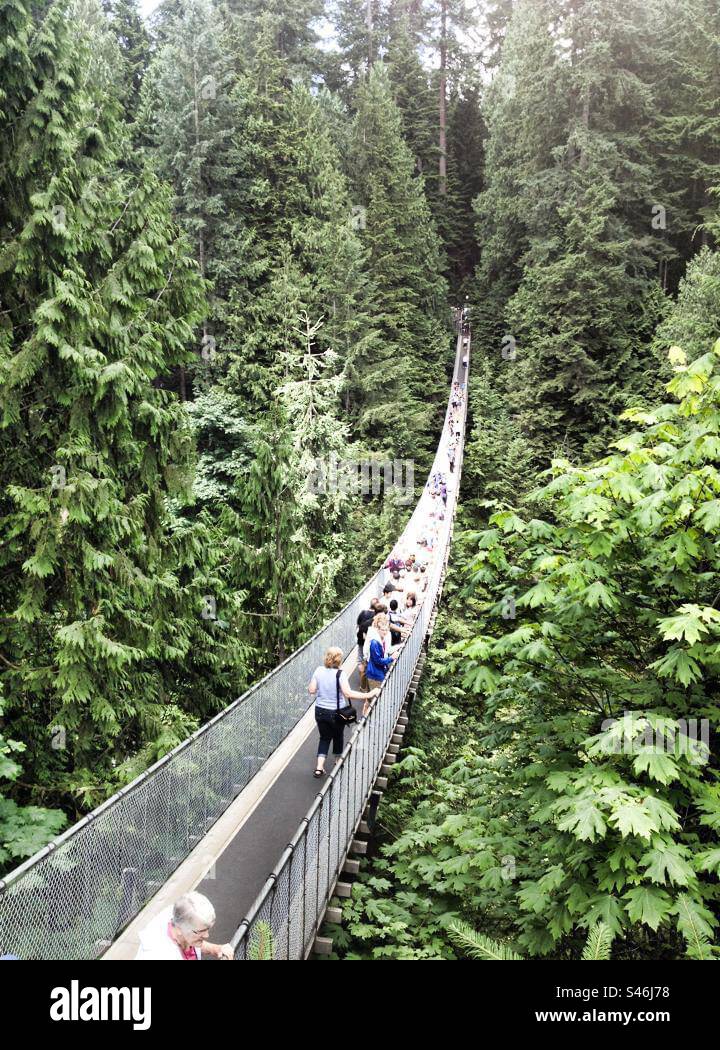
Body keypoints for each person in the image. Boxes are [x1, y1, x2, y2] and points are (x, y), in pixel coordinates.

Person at [308, 647, 378, 777]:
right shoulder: (340, 674)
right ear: (339, 660)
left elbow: (312, 690)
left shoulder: (318, 670)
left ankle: (319, 767)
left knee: (324, 737)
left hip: (320, 710)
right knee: (338, 735)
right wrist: (369, 694)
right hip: (335, 712)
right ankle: (337, 761)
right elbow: (347, 693)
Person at [135, 892, 233, 960]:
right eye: (201, 931)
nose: (207, 935)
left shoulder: (179, 915)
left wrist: (216, 949)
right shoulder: (160, 955)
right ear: (179, 929)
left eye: (207, 929)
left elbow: (193, 943)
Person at [364, 614, 397, 692]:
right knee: (375, 696)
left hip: (379, 667)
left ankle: (367, 700)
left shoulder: (385, 636)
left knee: (371, 696)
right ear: (378, 628)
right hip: (375, 670)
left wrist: (399, 646)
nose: (385, 632)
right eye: (383, 629)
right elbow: (377, 659)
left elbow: (387, 649)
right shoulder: (374, 640)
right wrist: (391, 658)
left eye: (386, 629)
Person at [356, 598, 379, 688]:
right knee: (368, 660)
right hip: (369, 642)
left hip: (360, 640)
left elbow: (358, 624)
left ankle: (362, 682)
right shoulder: (375, 617)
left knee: (360, 660)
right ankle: (365, 683)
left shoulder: (363, 613)